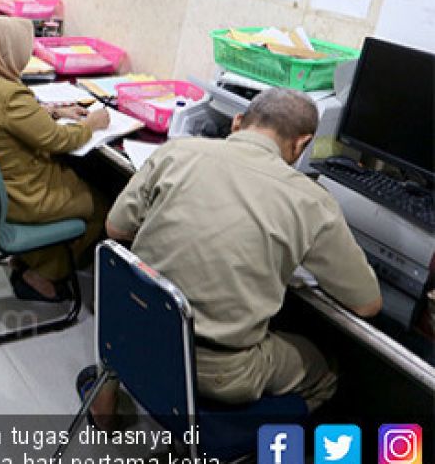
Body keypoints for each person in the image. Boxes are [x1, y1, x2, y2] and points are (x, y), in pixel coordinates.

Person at [87, 88, 382, 421]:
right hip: (217, 370)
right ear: (302, 144)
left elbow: (115, 229)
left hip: (131, 331)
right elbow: (367, 304)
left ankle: (106, 393)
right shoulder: (312, 201)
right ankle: (234, 435)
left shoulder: (175, 152)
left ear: (238, 122)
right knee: (325, 370)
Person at [0, 18, 111, 301]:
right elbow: (58, 140)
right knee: (103, 206)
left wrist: (52, 111)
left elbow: (8, 116)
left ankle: (26, 259)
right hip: (25, 195)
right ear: (0, 51)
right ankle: (43, 275)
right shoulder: (8, 95)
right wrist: (91, 123)